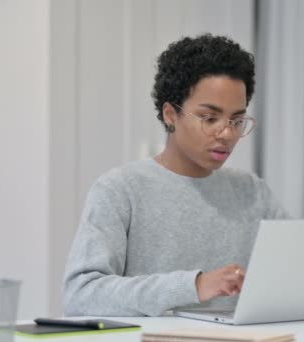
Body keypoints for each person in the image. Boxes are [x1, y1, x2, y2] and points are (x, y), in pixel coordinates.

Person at [63, 34, 289, 317]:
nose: (227, 133)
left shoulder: (253, 192)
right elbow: (80, 294)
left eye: (237, 120)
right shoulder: (120, 190)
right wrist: (193, 285)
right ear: (170, 114)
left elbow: (297, 273)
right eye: (210, 118)